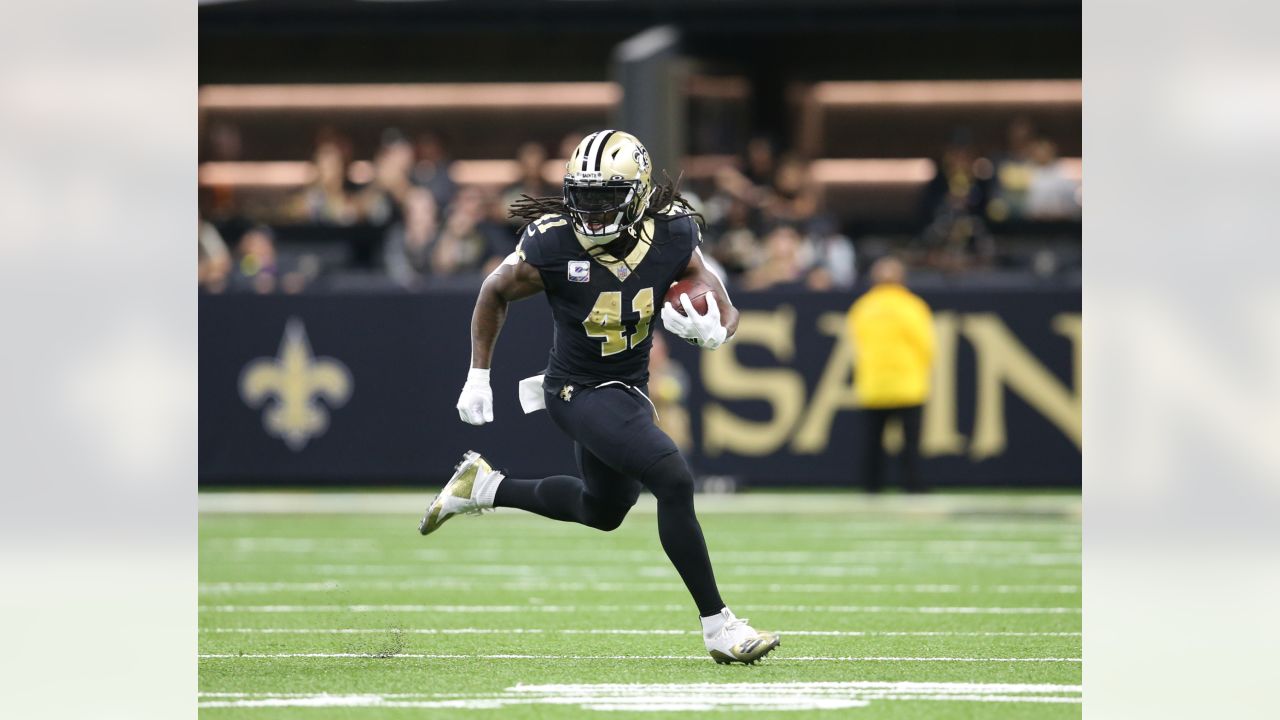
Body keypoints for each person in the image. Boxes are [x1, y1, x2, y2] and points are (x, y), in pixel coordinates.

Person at [418, 130, 779, 665]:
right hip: (574, 388)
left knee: (603, 509)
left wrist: (716, 331)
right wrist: (478, 374)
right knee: (673, 477)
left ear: (635, 193)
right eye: (582, 194)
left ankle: (485, 487)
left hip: (629, 387)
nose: (590, 208)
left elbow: (721, 301)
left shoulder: (674, 232)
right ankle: (718, 626)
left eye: (605, 195)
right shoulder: (553, 241)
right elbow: (493, 290)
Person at [846, 257, 935, 493]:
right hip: (908, 385)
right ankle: (913, 487)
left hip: (874, 386)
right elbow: (926, 346)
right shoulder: (912, 306)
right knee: (910, 445)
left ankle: (871, 488)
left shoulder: (863, 307)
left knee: (872, 444)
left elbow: (856, 344)